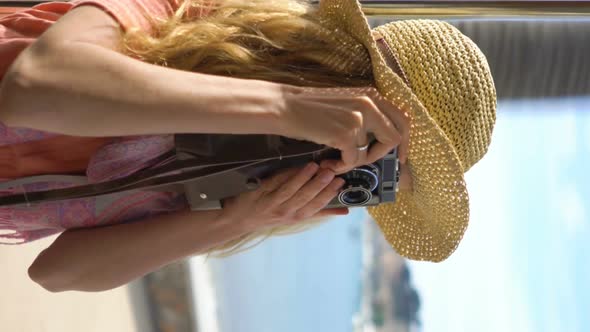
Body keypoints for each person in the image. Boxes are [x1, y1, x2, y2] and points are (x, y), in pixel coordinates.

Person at [0, 0, 496, 292]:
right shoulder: (186, 16)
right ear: (343, 79)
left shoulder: (220, 186)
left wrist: (234, 219)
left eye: (375, 176)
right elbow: (32, 88)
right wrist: (281, 104)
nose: (350, 162)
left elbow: (57, 271)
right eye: (372, 142)